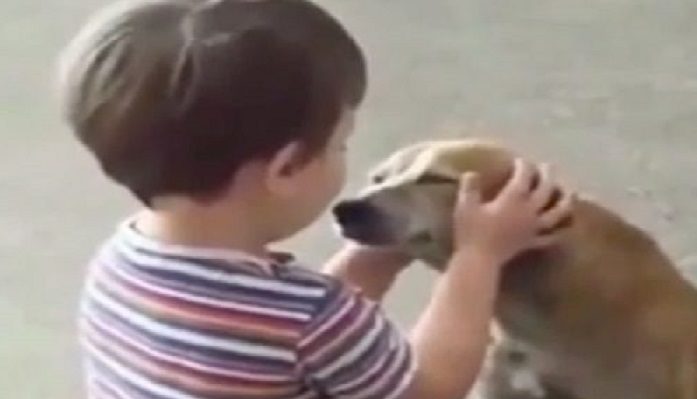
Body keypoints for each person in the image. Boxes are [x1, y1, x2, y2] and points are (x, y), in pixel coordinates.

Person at [57, 0, 573, 398]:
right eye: (339, 144)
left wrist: (373, 260)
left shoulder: (119, 262)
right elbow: (428, 388)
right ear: (286, 168)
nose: (345, 154)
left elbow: (283, 345)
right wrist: (477, 259)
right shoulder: (308, 315)